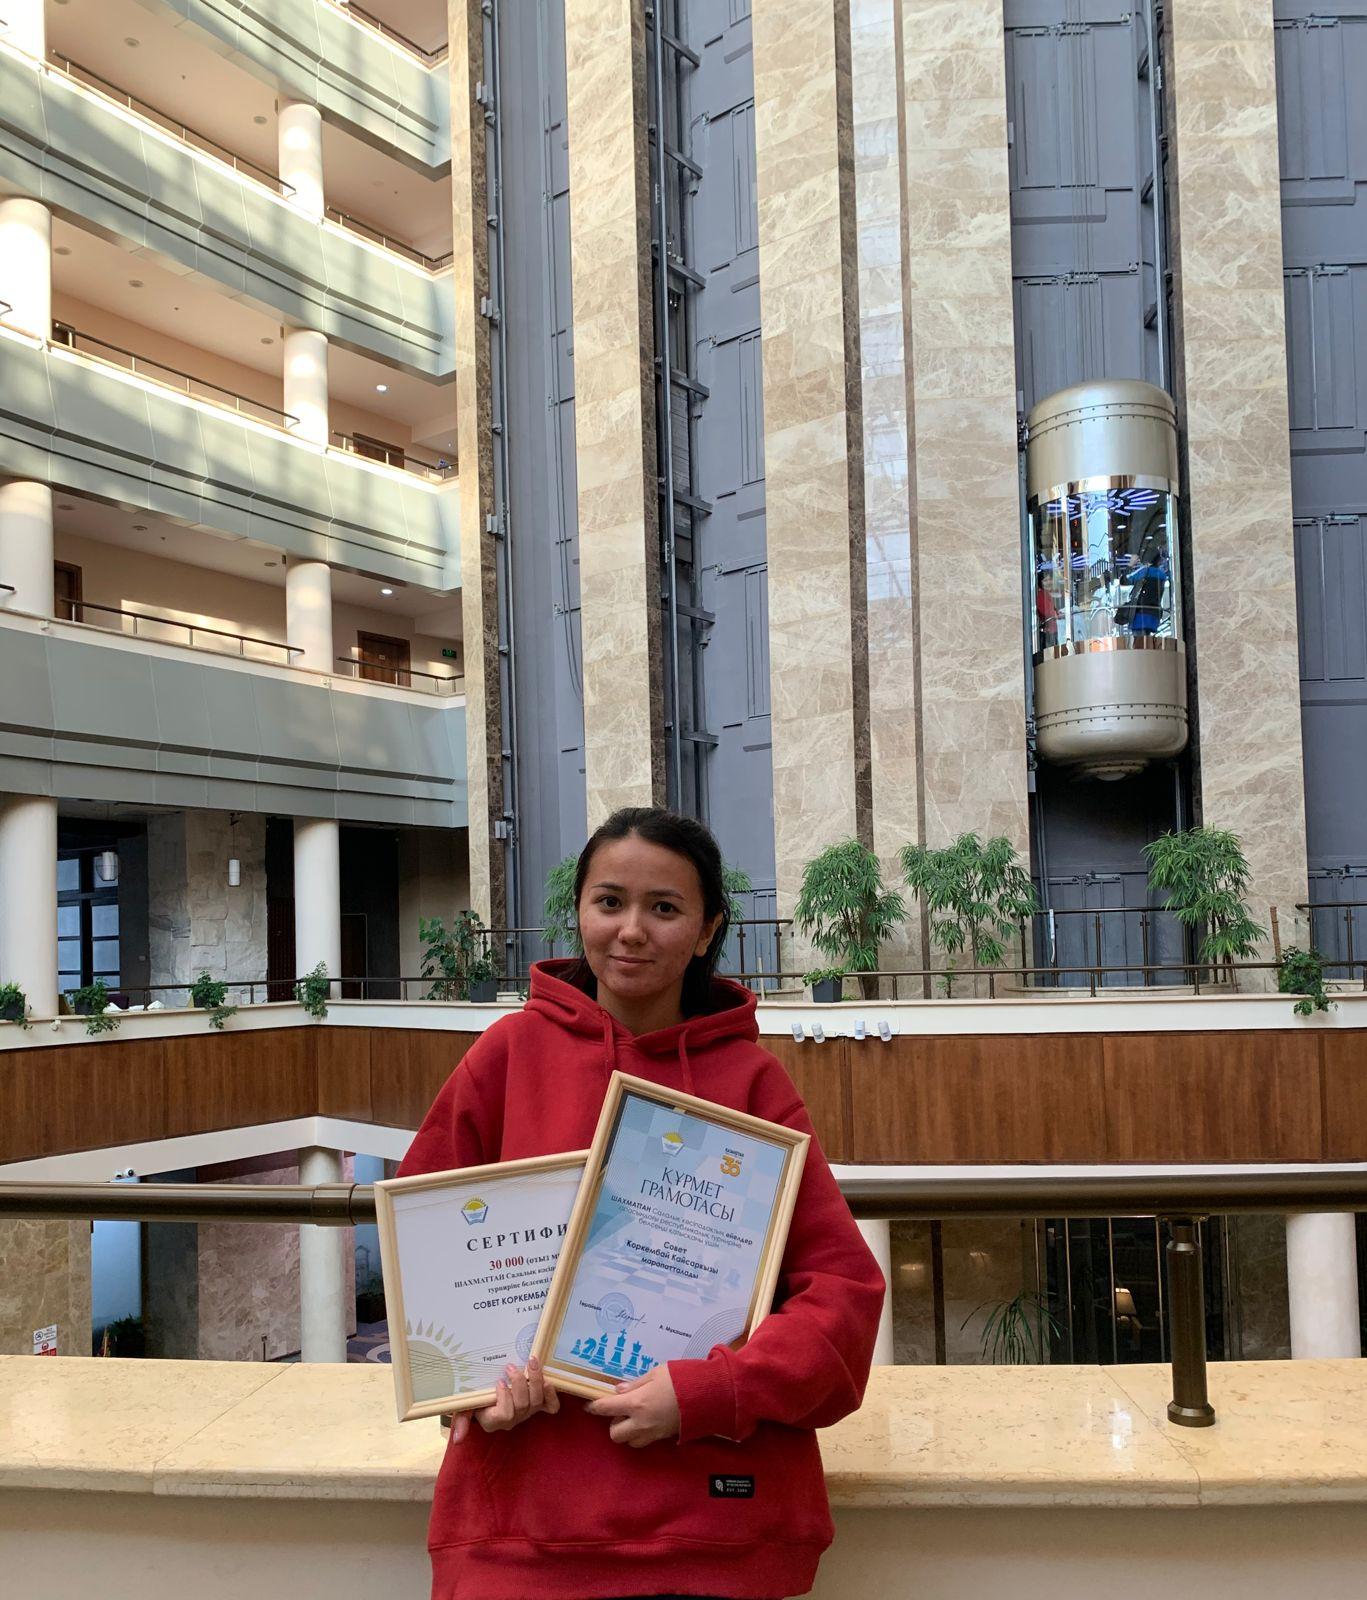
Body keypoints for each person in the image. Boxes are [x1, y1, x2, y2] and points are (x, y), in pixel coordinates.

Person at [399, 806, 885, 1600]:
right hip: (522, 1532)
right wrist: (476, 1388)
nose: (630, 931)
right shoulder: (505, 1058)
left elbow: (841, 1296)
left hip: (716, 1530)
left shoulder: (752, 1085)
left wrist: (712, 1392)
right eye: (608, 902)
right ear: (579, 912)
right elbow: (428, 1265)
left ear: (705, 929)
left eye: (663, 908)